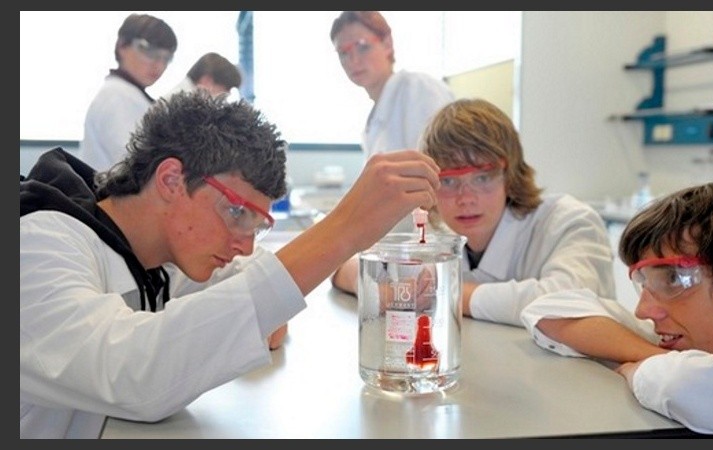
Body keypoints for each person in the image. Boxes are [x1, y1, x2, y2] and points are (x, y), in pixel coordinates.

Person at [20, 91, 441, 439]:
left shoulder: (159, 260)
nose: (242, 245)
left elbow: (248, 275)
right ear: (170, 180)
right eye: (237, 212)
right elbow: (133, 374)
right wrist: (344, 229)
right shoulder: (38, 245)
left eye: (257, 225)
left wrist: (381, 292)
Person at [520, 183, 713, 439]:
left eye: (674, 279)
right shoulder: (686, 344)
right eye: (643, 282)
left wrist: (646, 367)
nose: (643, 312)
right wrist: (656, 355)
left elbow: (679, 382)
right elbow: (549, 310)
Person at [332, 98, 616, 327]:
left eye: (482, 177)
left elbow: (568, 302)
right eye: (449, 181)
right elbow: (342, 265)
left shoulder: (569, 223)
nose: (465, 198)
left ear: (510, 173)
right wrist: (379, 291)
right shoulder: (429, 227)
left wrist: (445, 292)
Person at [330, 11, 455, 161]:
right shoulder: (376, 115)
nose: (353, 60)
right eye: (343, 53)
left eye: (362, 46)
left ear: (387, 44)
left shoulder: (419, 90)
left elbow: (443, 167)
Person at [80, 13, 178, 172]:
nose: (159, 65)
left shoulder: (127, 94)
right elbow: (137, 166)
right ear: (122, 46)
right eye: (150, 52)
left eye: (166, 58)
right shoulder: (117, 97)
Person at [164, 52, 242, 100]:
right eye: (225, 89)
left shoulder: (179, 96)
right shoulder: (182, 102)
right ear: (206, 80)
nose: (226, 96)